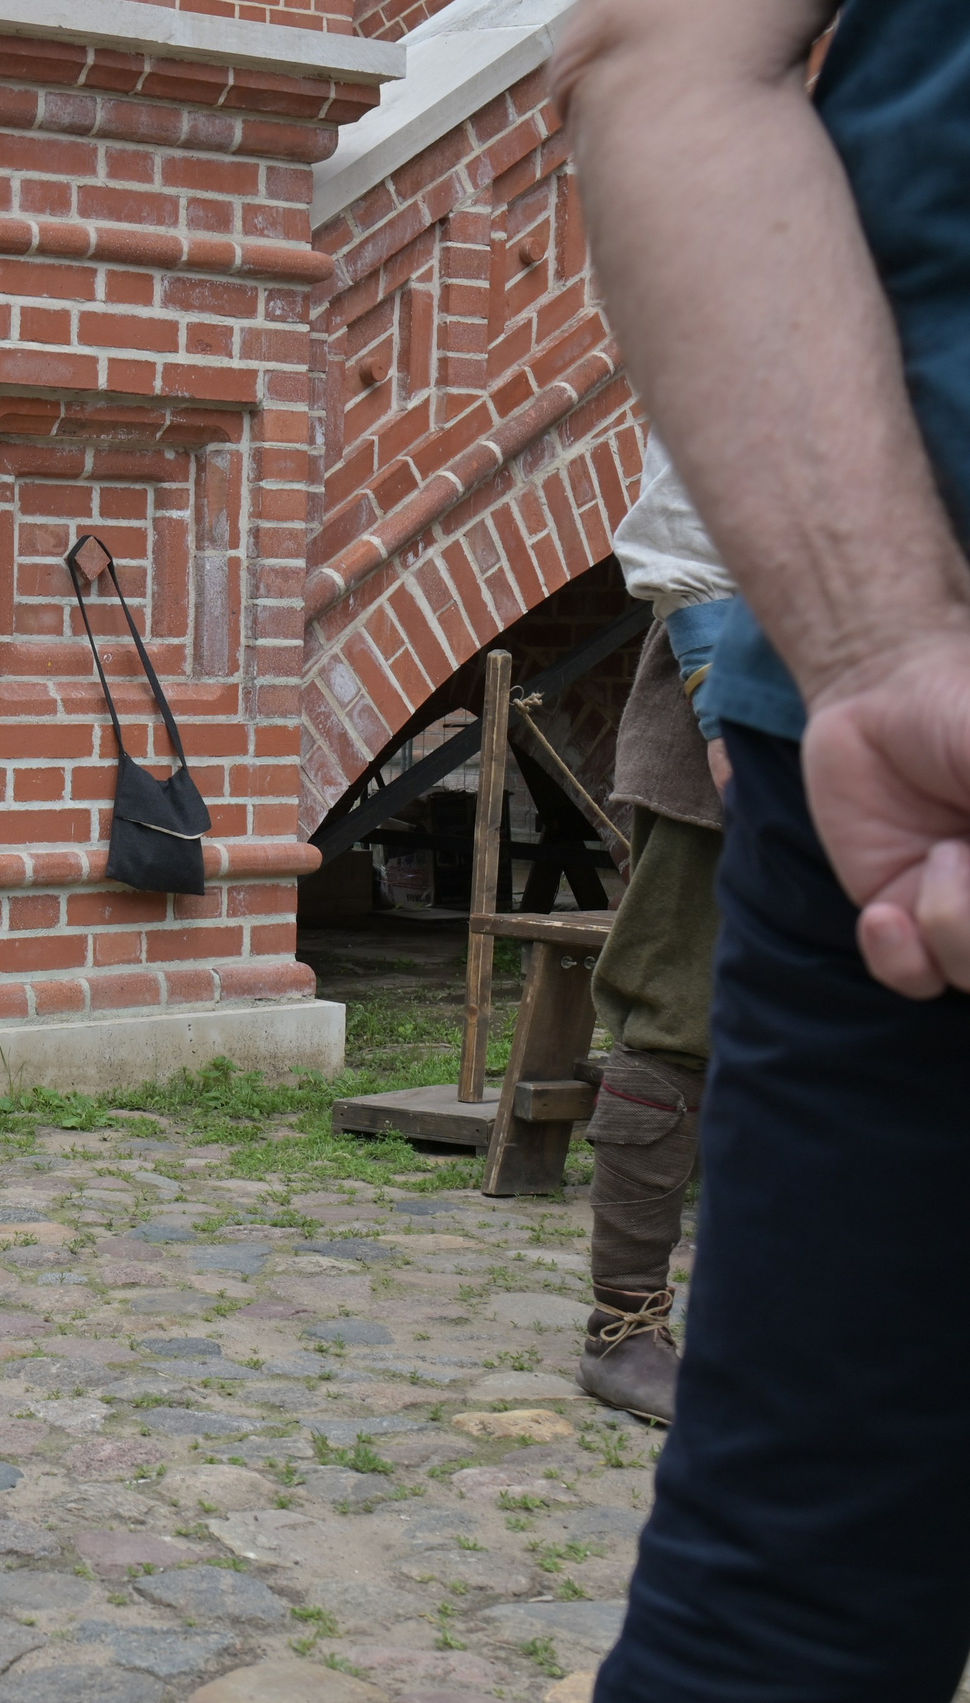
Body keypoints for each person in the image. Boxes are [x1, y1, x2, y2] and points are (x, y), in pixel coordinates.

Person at [558, 2, 970, 1696]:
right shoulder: (779, 313)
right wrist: (861, 659)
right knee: (665, 1017)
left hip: (817, 687)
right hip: (771, 709)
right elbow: (677, 542)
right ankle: (622, 1311)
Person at [574, 434, 736, 1424]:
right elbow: (686, 505)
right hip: (739, 691)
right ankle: (623, 1324)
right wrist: (725, 714)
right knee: (678, 1011)